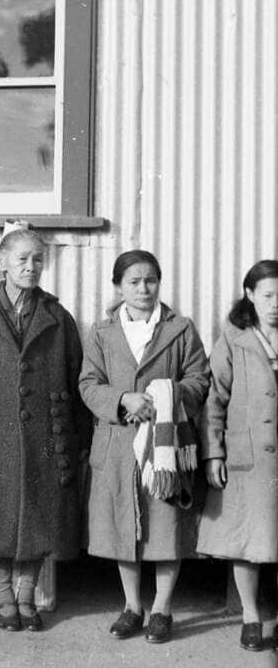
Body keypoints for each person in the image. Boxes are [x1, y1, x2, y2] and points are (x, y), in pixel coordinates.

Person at [0, 226, 90, 632]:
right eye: (22, 259)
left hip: (44, 435)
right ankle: (2, 598)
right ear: (1, 261)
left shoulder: (57, 317)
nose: (31, 267)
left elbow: (75, 379)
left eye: (38, 260)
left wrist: (78, 437)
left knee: (38, 517)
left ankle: (27, 597)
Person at [79, 249, 210, 644]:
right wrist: (123, 400)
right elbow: (88, 383)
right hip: (119, 444)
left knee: (167, 525)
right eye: (133, 282)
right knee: (124, 526)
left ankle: (162, 609)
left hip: (165, 444)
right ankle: (132, 606)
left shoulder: (180, 329)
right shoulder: (102, 332)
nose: (143, 289)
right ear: (118, 287)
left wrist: (166, 397)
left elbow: (199, 379)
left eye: (150, 280)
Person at [197, 259, 278, 652]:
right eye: (268, 295)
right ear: (250, 295)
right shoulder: (234, 337)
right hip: (247, 456)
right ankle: (250, 616)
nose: (275, 304)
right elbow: (214, 397)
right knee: (247, 538)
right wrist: (213, 453)